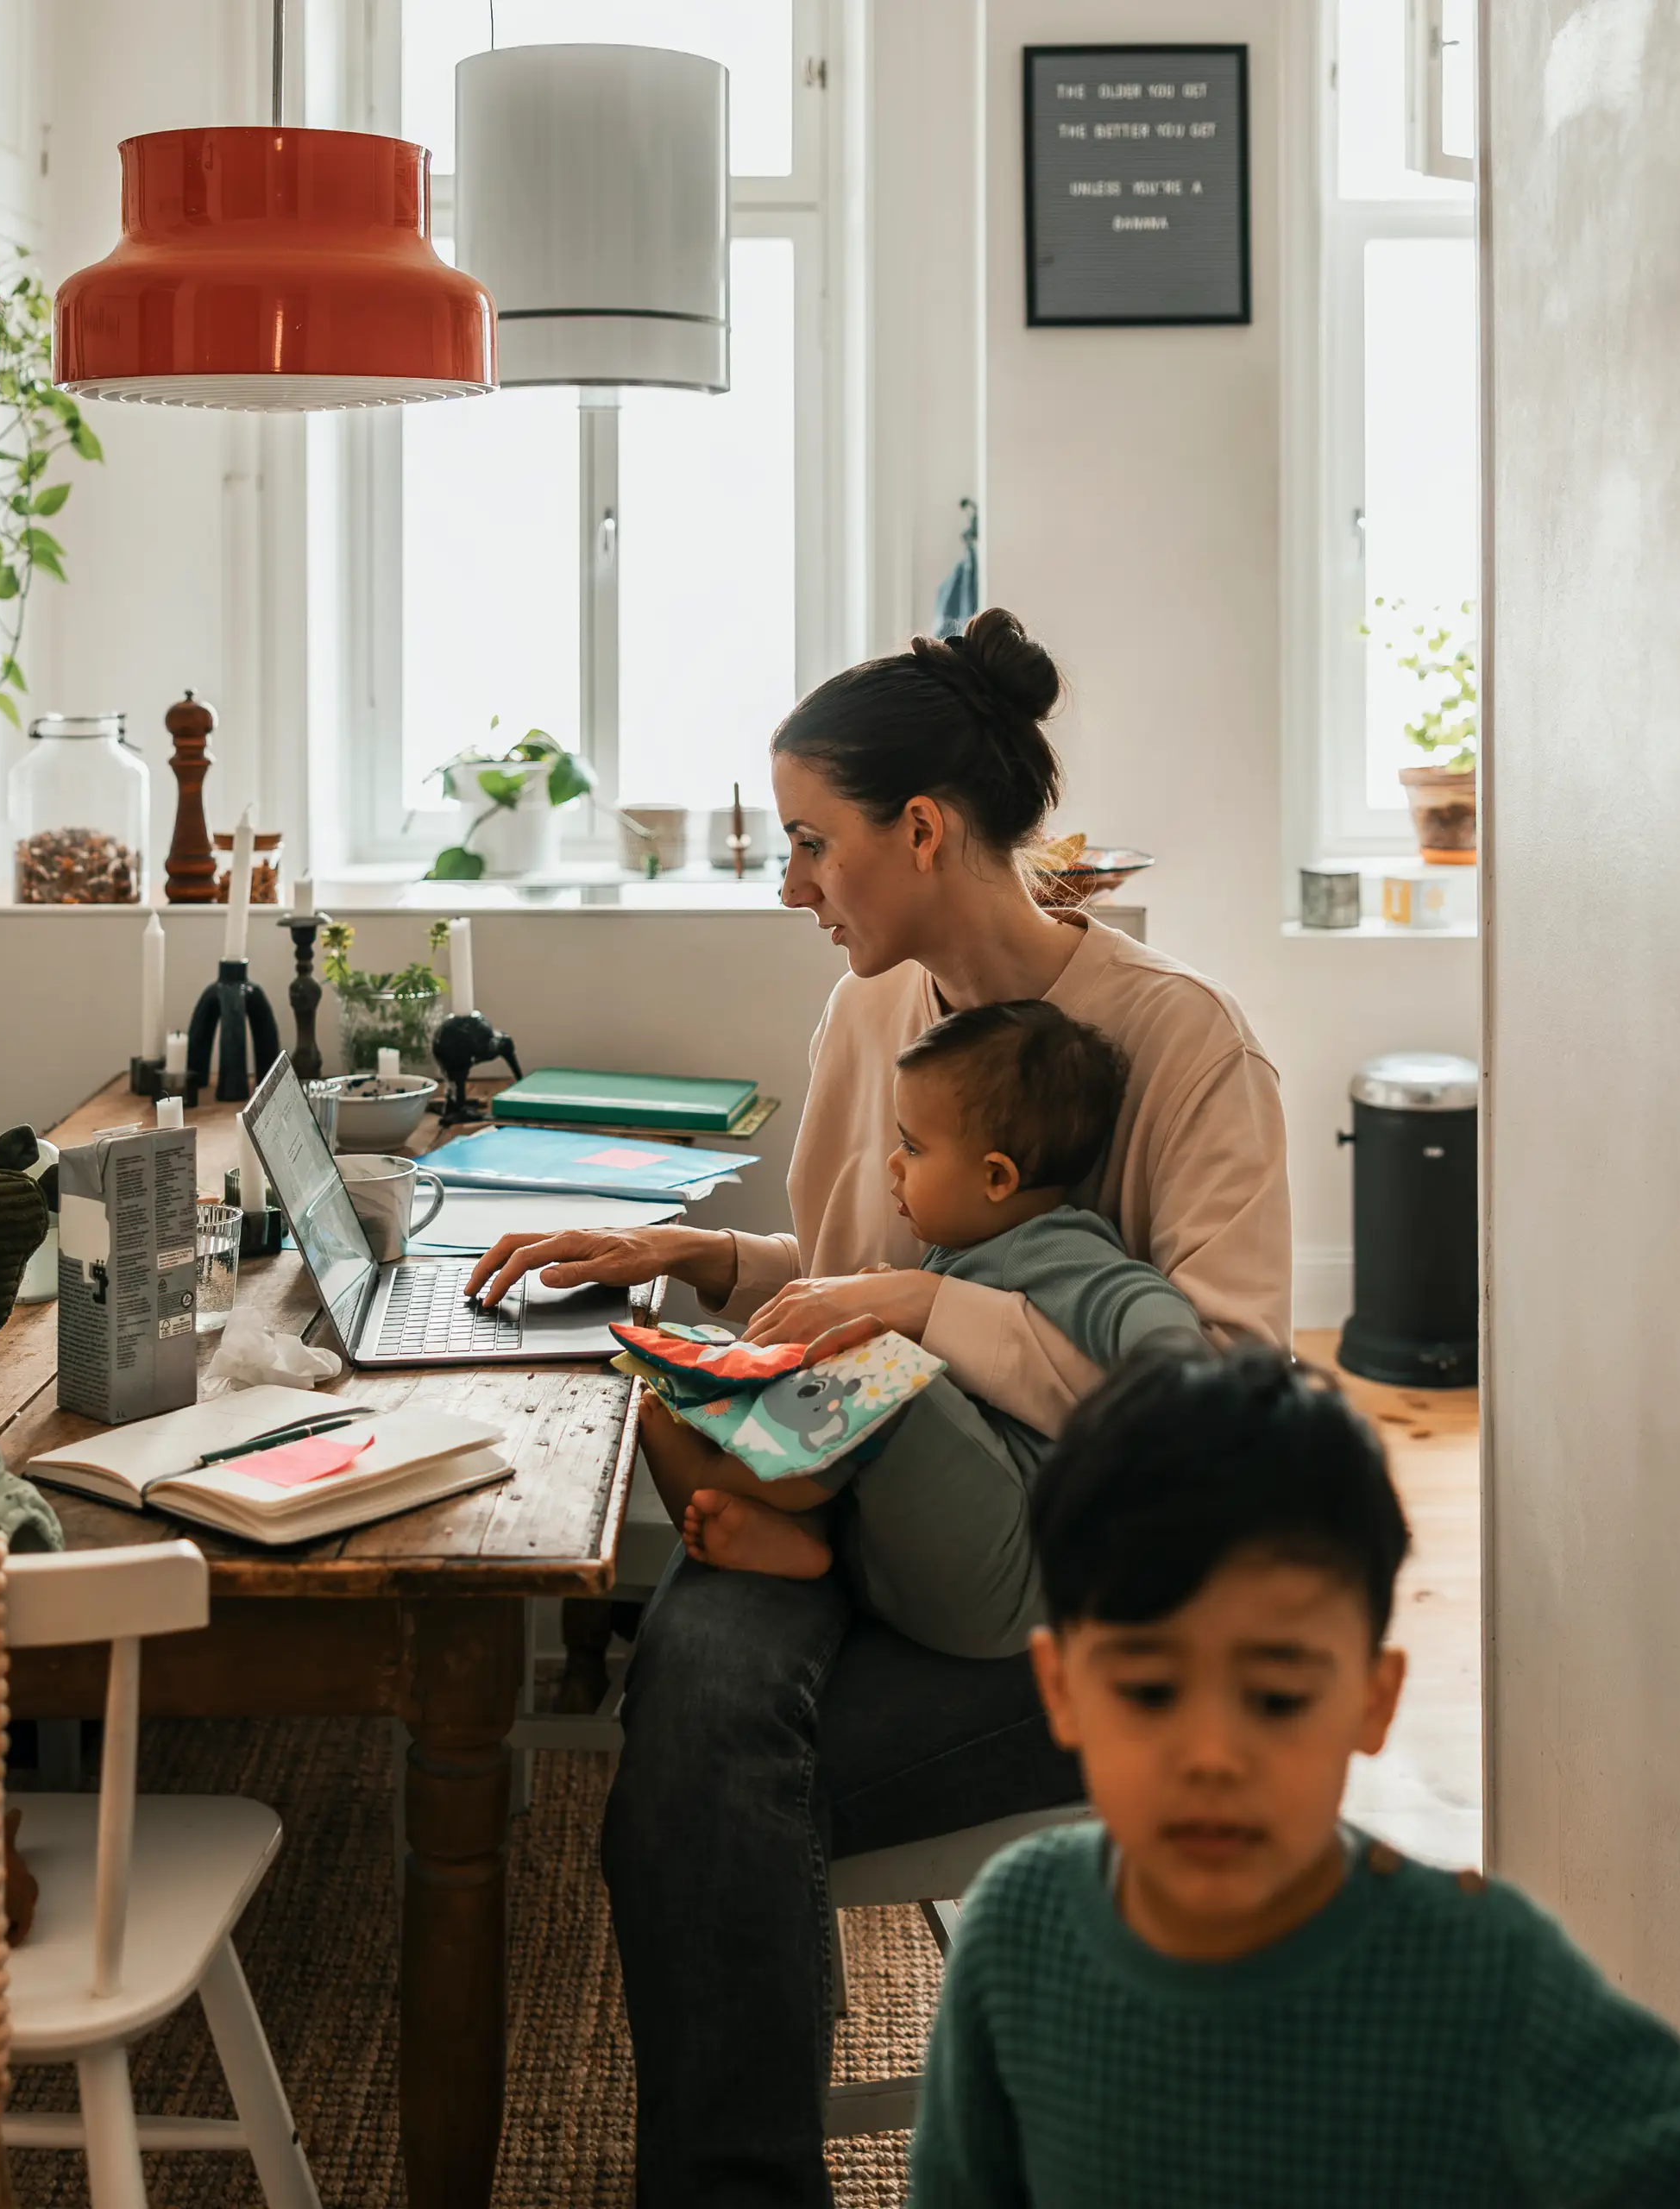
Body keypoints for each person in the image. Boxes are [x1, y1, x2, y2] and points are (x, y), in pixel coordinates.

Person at [464, 607, 1292, 2205]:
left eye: (809, 843)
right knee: (690, 1725)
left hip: (1078, 1588)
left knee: (708, 1797)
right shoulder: (867, 1014)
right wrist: (698, 1258)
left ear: (920, 830)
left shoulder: (1182, 1046)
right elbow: (860, 1272)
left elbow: (1227, 1401)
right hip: (851, 1498)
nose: (790, 886)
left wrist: (924, 1312)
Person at [911, 1345, 1680, 2208]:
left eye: (1278, 1697)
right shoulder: (1016, 1935)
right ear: (1063, 1688)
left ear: (1373, 1701)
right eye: (1150, 1690)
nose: (1212, 1754)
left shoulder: (1487, 1983)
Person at [677, 999, 1205, 1660]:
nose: (893, 1165)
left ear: (996, 1176)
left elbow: (1146, 1310)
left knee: (879, 1358)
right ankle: (807, 1539)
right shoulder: (958, 1253)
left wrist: (1176, 1371)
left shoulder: (1056, 1247)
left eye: (912, 1147)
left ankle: (735, 1474)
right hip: (913, 1564)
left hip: (1014, 1573)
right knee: (865, 1352)